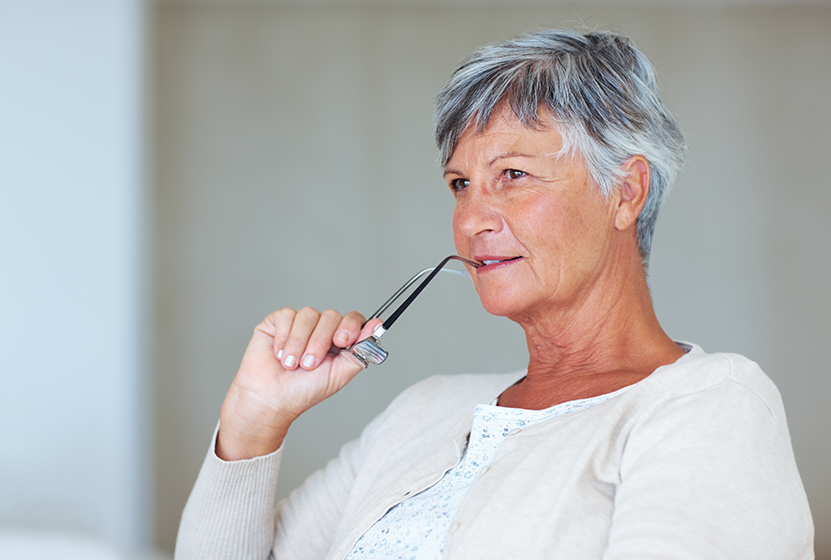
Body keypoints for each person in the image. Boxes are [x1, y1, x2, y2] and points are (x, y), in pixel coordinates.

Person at [175, 29, 814, 559]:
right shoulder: (422, 412)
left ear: (625, 191)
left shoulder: (710, 405)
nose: (471, 218)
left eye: (512, 174)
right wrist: (255, 420)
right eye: (459, 183)